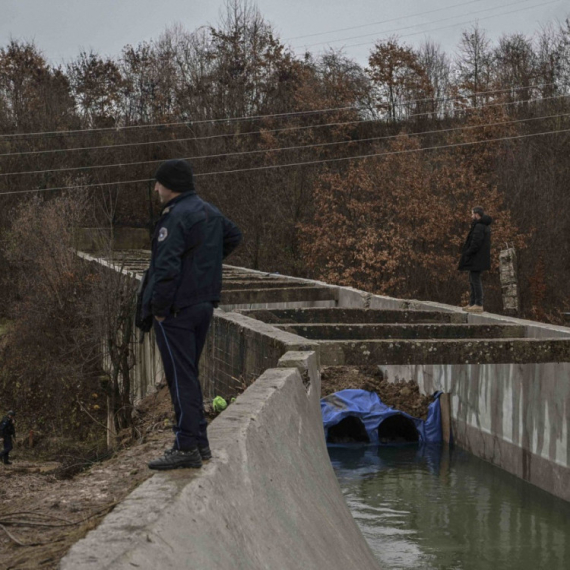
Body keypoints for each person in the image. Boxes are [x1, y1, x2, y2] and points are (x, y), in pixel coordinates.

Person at [140, 159, 242, 470]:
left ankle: (185, 445)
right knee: (189, 375)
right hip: (203, 305)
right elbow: (233, 236)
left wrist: (158, 310)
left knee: (180, 377)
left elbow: (167, 267)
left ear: (170, 185)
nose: (156, 189)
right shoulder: (208, 211)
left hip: (176, 311)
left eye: (158, 183)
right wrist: (203, 267)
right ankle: (200, 444)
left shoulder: (176, 218)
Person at [458, 206, 493, 313]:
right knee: (472, 279)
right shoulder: (484, 226)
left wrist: (467, 253)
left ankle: (478, 304)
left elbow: (475, 244)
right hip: (479, 258)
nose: (471, 216)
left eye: (472, 214)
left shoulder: (479, 227)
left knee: (475, 280)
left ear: (477, 215)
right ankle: (472, 303)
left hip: (476, 258)